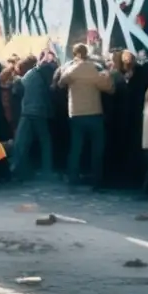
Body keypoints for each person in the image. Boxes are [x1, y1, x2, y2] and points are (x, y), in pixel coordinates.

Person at [58, 43, 115, 188]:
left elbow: (60, 83)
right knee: (97, 148)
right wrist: (107, 76)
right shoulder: (93, 68)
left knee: (76, 147)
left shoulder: (71, 69)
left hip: (76, 114)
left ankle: (73, 178)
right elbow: (109, 89)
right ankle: (97, 180)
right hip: (94, 113)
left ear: (75, 54)